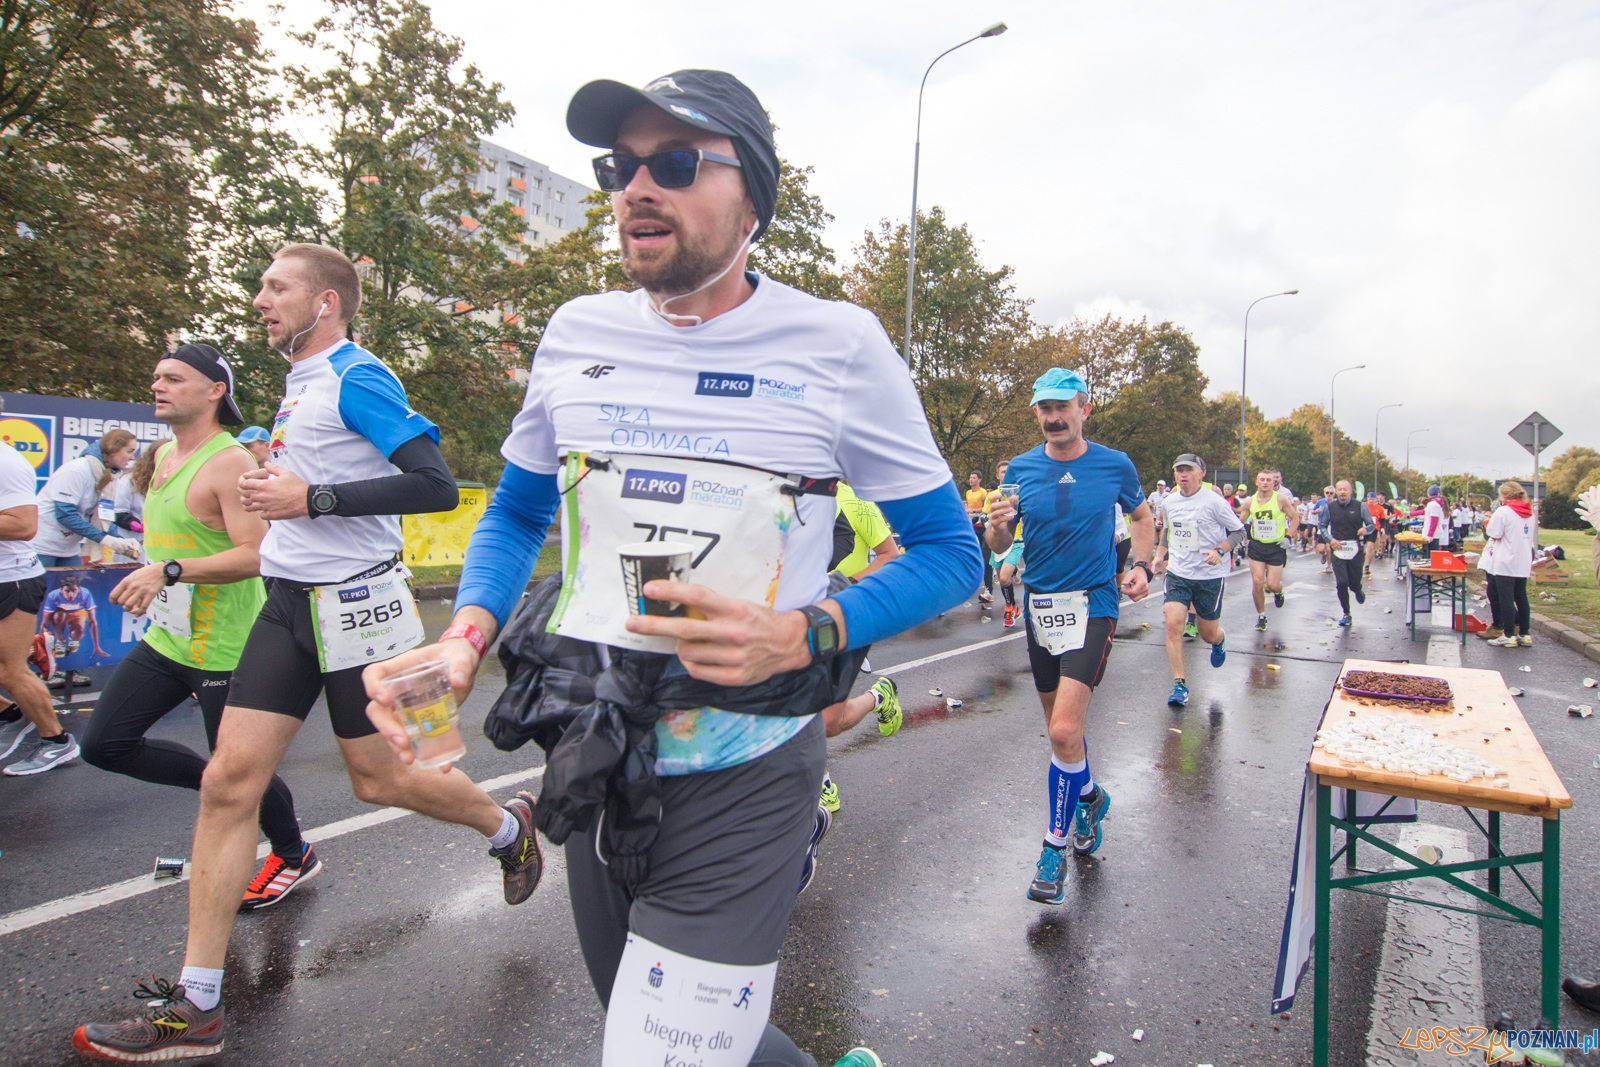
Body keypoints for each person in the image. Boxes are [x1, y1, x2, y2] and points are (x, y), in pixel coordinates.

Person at [360, 70, 979, 1067]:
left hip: (749, 767)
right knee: (651, 1026)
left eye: (677, 162)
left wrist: (808, 630)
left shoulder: (837, 344)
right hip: (602, 750)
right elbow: (517, 510)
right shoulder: (577, 331)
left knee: (660, 1053)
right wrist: (466, 636)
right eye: (622, 166)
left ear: (753, 199)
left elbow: (953, 552)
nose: (638, 187)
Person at [74, 244, 535, 1064]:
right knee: (228, 781)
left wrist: (310, 497)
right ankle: (199, 1003)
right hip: (287, 605)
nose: (260, 298)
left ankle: (507, 827)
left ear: (325, 302)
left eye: (275, 286)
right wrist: (280, 490)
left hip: (362, 608)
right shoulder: (298, 383)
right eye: (261, 285)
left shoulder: (359, 376)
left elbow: (434, 484)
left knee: (382, 779)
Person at [81, 345, 317, 910]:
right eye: (157, 376)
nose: (158, 386)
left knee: (240, 769)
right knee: (104, 744)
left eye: (174, 378)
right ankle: (221, 784)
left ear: (214, 391)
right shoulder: (163, 456)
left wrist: (168, 571)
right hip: (169, 640)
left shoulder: (228, 462)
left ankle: (291, 853)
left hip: (228, 648)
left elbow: (256, 554)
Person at [985, 367, 1153, 906]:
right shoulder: (1021, 470)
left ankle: (1053, 849)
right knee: (1063, 736)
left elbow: (1143, 517)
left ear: (1084, 408)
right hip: (1041, 606)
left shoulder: (1114, 464)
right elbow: (1002, 541)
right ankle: (1090, 797)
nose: (1054, 418)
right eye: (1045, 409)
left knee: (1062, 730)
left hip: (1094, 603)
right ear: (1036, 413)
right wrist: (996, 527)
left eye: (1063, 407)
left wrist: (1142, 566)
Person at [814, 481, 904, 823]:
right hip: (799, 614)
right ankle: (822, 783)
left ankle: (879, 696)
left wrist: (848, 587)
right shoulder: (790, 490)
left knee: (827, 720)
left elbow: (889, 554)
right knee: (806, 710)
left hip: (844, 612)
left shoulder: (857, 503)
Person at [0, 400, 79, 777]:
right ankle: (10, 714)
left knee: (9, 670)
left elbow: (23, 525)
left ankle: (57, 741)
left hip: (11, 578)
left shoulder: (6, 461)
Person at [1154, 455, 1243, 705]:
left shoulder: (1214, 502)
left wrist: (1220, 551)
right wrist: (1159, 556)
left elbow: (1238, 531)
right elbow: (1169, 531)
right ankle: (1179, 684)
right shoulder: (1169, 502)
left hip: (1209, 576)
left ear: (1201, 473)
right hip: (1179, 573)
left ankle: (1219, 640)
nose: (1183, 475)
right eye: (1179, 470)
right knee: (1173, 624)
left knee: (1208, 634)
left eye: (1188, 470)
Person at [30, 428, 141, 567]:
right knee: (45, 582)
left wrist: (120, 540)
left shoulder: (109, 476)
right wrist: (105, 539)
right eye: (129, 451)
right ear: (114, 449)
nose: (132, 458)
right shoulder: (77, 470)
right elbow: (65, 515)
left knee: (75, 581)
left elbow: (103, 516)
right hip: (42, 545)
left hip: (69, 548)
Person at [1480, 481, 1535, 648]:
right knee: (1521, 597)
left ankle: (1509, 634)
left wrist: (1487, 523)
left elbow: (1494, 533)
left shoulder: (1504, 511)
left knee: (1505, 598)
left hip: (1505, 559)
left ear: (1503, 495)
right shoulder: (1529, 512)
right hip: (1523, 559)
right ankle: (1524, 634)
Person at [1242, 470, 1296, 632]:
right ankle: (1261, 616)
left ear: (1274, 483)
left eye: (1268, 480)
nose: (1265, 482)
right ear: (1256, 482)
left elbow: (1295, 518)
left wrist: (1288, 536)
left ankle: (1278, 592)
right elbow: (1239, 522)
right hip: (1257, 545)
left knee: (1272, 585)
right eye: (1262, 479)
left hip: (1276, 546)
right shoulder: (1250, 502)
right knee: (1257, 581)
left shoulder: (1281, 499)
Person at [1326, 479, 1375, 627]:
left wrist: (1365, 530)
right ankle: (1346, 613)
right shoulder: (1330, 507)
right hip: (1338, 549)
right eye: (1339, 489)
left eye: (1345, 489)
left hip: (1355, 549)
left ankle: (1358, 590)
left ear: (1351, 491)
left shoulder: (1360, 506)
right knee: (1341, 583)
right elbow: (1322, 526)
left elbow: (1371, 525)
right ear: (1336, 491)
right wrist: (1330, 540)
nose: (1342, 492)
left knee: (1353, 583)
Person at [39, 573, 105, 660]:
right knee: (59, 615)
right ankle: (61, 641)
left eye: (74, 590)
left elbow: (92, 621)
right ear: (61, 590)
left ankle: (73, 639)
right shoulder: (53, 596)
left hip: (77, 614)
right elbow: (45, 624)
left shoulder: (85, 594)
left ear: (79, 589)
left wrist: (96, 646)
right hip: (60, 614)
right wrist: (41, 648)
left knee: (78, 634)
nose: (71, 595)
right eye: (67, 591)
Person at [965, 471, 994, 606]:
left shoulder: (983, 492)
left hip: (982, 526)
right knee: (973, 554)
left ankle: (989, 588)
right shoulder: (968, 493)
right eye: (970, 477)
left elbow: (985, 508)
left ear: (979, 480)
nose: (971, 480)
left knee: (986, 556)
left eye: (974, 478)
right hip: (972, 526)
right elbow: (967, 507)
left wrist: (973, 511)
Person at [1423, 485, 1449, 552]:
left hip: (1433, 535)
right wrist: (1410, 513)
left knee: (1431, 554)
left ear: (1429, 494)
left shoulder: (1433, 504)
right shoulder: (1434, 504)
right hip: (1433, 534)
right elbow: (1425, 511)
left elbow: (1434, 520)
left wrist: (1430, 534)